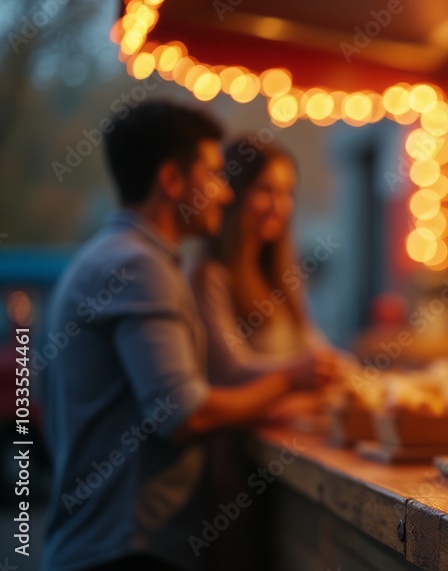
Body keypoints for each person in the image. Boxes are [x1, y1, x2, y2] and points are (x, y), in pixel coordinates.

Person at [42, 101, 335, 571]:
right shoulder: (138, 267)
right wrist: (287, 380)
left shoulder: (119, 256)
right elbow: (185, 415)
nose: (224, 193)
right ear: (172, 181)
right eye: (215, 175)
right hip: (126, 549)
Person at [186, 136, 346, 570]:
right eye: (266, 190)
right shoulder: (208, 275)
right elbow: (230, 371)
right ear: (233, 193)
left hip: (284, 460)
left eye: (287, 193)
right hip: (233, 467)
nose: (280, 205)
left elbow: (315, 347)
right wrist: (298, 378)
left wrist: (348, 373)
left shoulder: (280, 277)